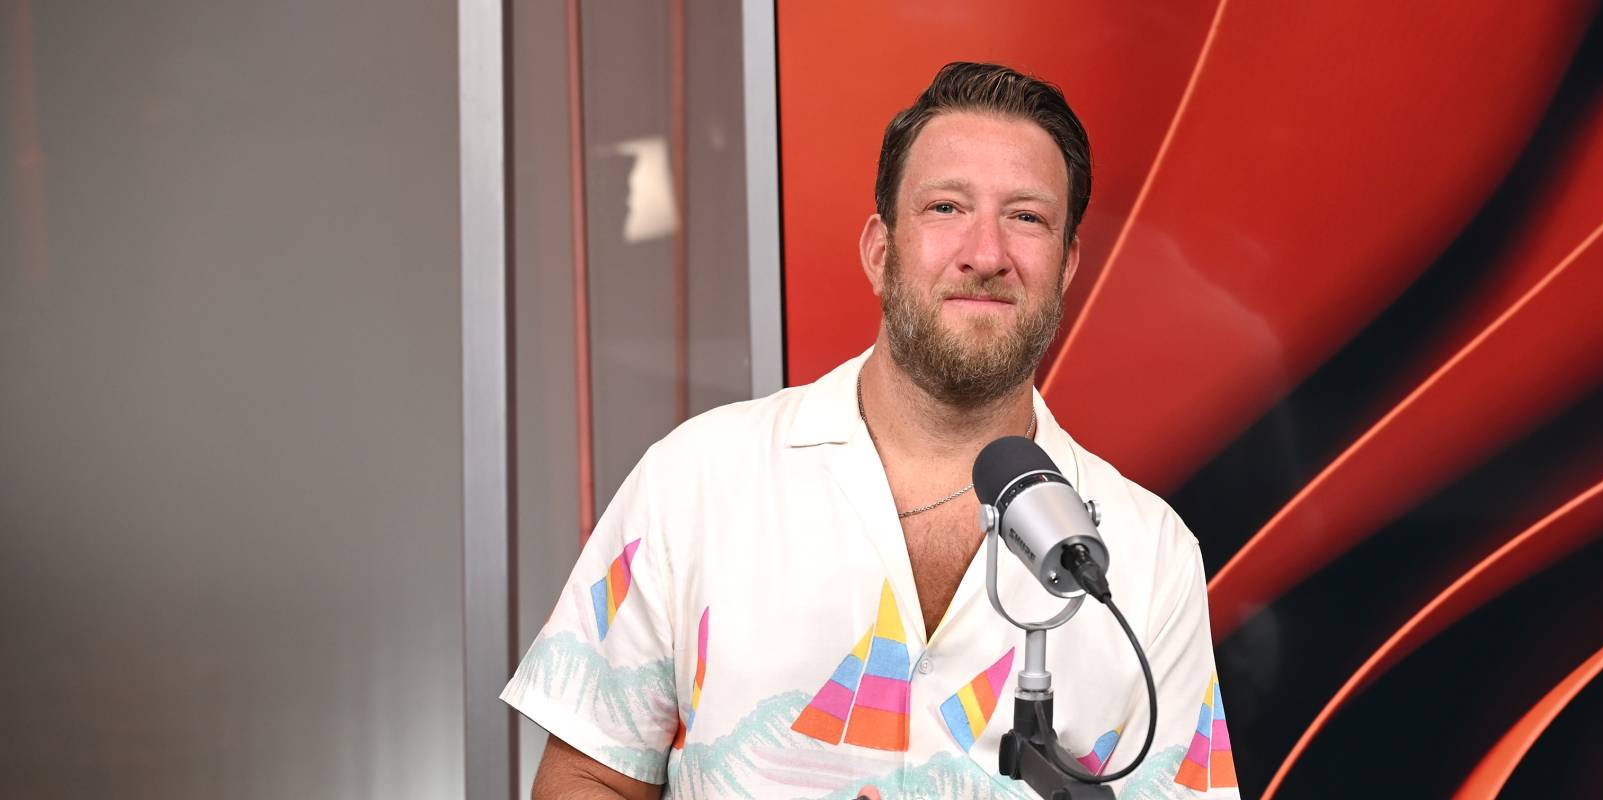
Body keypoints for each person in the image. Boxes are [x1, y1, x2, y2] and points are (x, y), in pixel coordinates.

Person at [504, 62, 1241, 800]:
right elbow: (587, 776)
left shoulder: (1150, 557)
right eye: (947, 207)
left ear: (1067, 265)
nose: (985, 254)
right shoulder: (696, 481)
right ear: (880, 253)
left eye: (1026, 217)